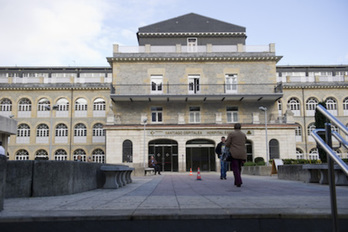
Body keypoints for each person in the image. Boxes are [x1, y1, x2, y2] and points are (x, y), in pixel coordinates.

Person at [225, 123, 247, 187]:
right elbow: (245, 141)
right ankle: (236, 180)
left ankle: (238, 181)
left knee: (235, 168)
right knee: (239, 167)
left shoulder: (231, 134)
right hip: (242, 153)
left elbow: (227, 144)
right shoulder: (243, 134)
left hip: (234, 153)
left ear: (234, 127)